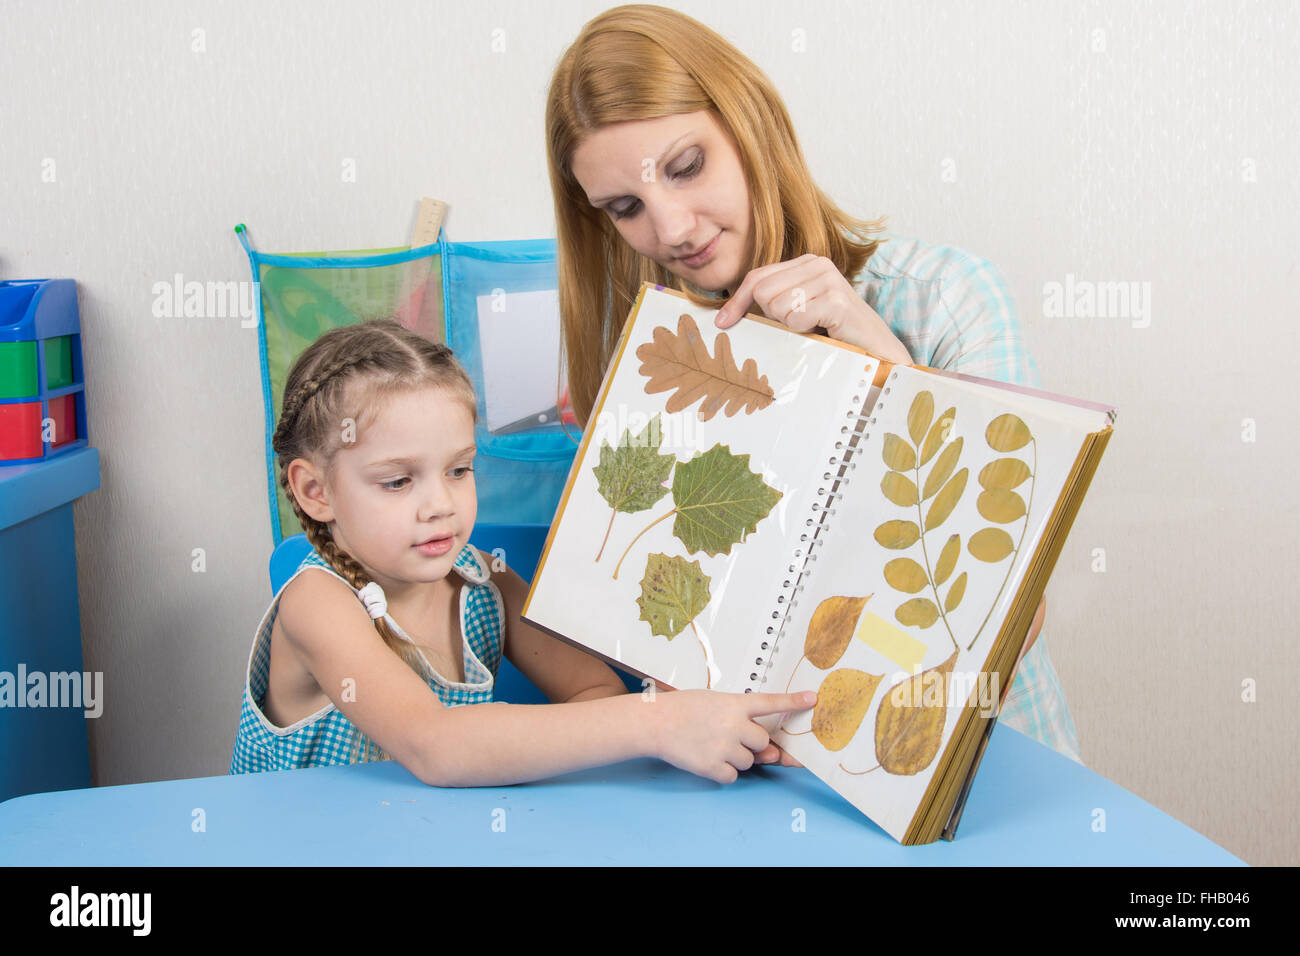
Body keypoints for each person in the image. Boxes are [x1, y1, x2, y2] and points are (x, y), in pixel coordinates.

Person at [545, 4, 1081, 764]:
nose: (670, 230)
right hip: (754, 787)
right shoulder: (653, 358)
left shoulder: (944, 296)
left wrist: (888, 366)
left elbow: (1011, 619)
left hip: (978, 778)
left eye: (687, 166)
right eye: (625, 207)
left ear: (750, 124)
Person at [230, 319, 815, 784]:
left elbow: (596, 692)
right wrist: (658, 722)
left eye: (459, 469)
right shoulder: (318, 603)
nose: (441, 504)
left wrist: (688, 719)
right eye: (397, 481)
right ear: (316, 491)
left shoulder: (482, 581)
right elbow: (437, 747)